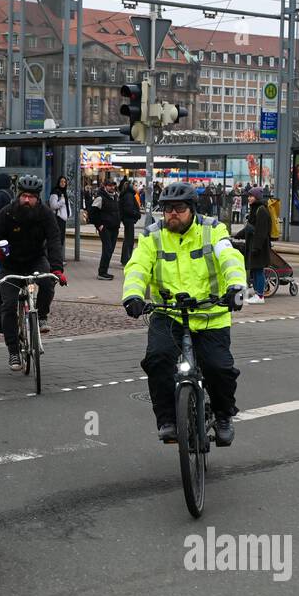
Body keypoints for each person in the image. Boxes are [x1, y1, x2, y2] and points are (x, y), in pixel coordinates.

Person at [122, 181, 247, 446]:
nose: (172, 214)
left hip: (211, 313)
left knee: (219, 368)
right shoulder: (153, 235)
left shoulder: (213, 230)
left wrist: (237, 287)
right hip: (169, 315)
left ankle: (224, 416)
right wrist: (132, 295)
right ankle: (168, 420)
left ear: (191, 209)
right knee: (157, 359)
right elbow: (137, 266)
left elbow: (230, 258)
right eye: (167, 209)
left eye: (178, 208)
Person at [0, 175, 67, 368]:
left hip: (35, 260)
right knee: (8, 306)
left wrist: (57, 268)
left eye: (31, 197)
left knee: (48, 281)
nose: (26, 200)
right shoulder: (7, 213)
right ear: (18, 195)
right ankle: (13, 351)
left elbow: (55, 241)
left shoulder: (45, 214)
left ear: (37, 198)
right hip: (10, 264)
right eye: (23, 195)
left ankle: (41, 316)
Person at [240, 186, 272, 305]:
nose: (249, 198)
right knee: (256, 270)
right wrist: (237, 235)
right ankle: (258, 293)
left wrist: (256, 248)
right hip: (254, 245)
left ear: (257, 197)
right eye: (248, 196)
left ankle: (260, 296)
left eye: (251, 196)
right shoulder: (255, 209)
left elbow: (261, 232)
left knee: (258, 271)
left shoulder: (261, 210)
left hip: (259, 247)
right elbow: (249, 228)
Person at [89, 176, 122, 280]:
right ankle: (102, 272)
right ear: (105, 186)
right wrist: (99, 225)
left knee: (110, 250)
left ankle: (104, 271)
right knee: (107, 249)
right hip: (105, 228)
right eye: (109, 185)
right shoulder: (100, 197)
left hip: (114, 227)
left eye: (113, 185)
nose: (112, 187)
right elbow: (92, 213)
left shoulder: (115, 196)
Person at [120, 175, 142, 267]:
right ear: (131, 186)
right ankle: (126, 258)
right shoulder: (129, 196)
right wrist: (137, 214)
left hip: (127, 219)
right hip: (129, 220)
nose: (137, 187)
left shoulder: (128, 195)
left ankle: (125, 258)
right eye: (135, 185)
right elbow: (129, 209)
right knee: (129, 240)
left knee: (128, 239)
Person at [49, 176, 71, 247]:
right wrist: (61, 201)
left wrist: (69, 213)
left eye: (64, 182)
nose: (63, 183)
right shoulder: (55, 192)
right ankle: (56, 257)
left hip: (63, 219)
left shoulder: (64, 193)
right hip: (58, 218)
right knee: (58, 240)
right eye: (61, 181)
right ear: (58, 182)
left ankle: (58, 256)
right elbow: (53, 206)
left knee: (61, 240)